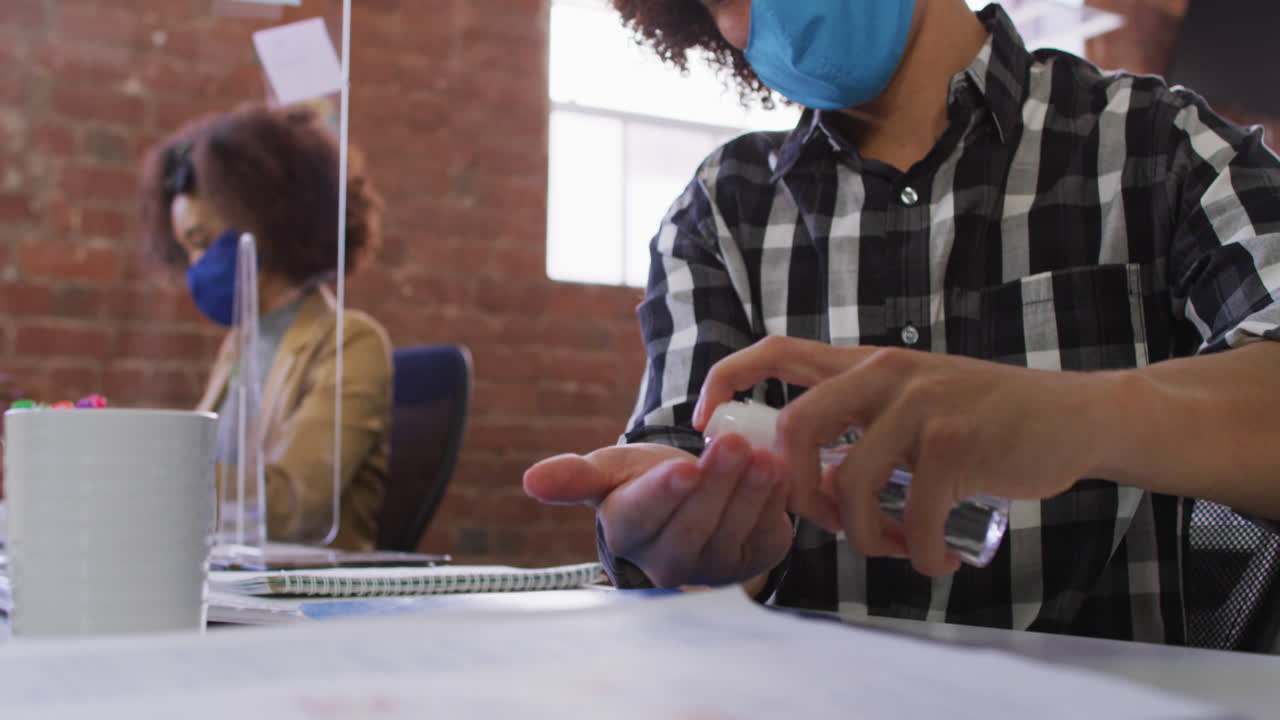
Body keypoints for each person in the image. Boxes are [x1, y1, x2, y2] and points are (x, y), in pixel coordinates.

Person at [524, 0, 1280, 644]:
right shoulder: (722, 212)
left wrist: (1078, 414)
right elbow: (683, 460)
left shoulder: (1158, 145)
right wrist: (695, 549)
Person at [139, 103, 392, 551]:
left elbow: (291, 506)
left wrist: (146, 477)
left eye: (202, 242)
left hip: (309, 598)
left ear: (264, 225)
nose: (195, 268)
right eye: (186, 250)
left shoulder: (351, 342)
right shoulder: (239, 344)